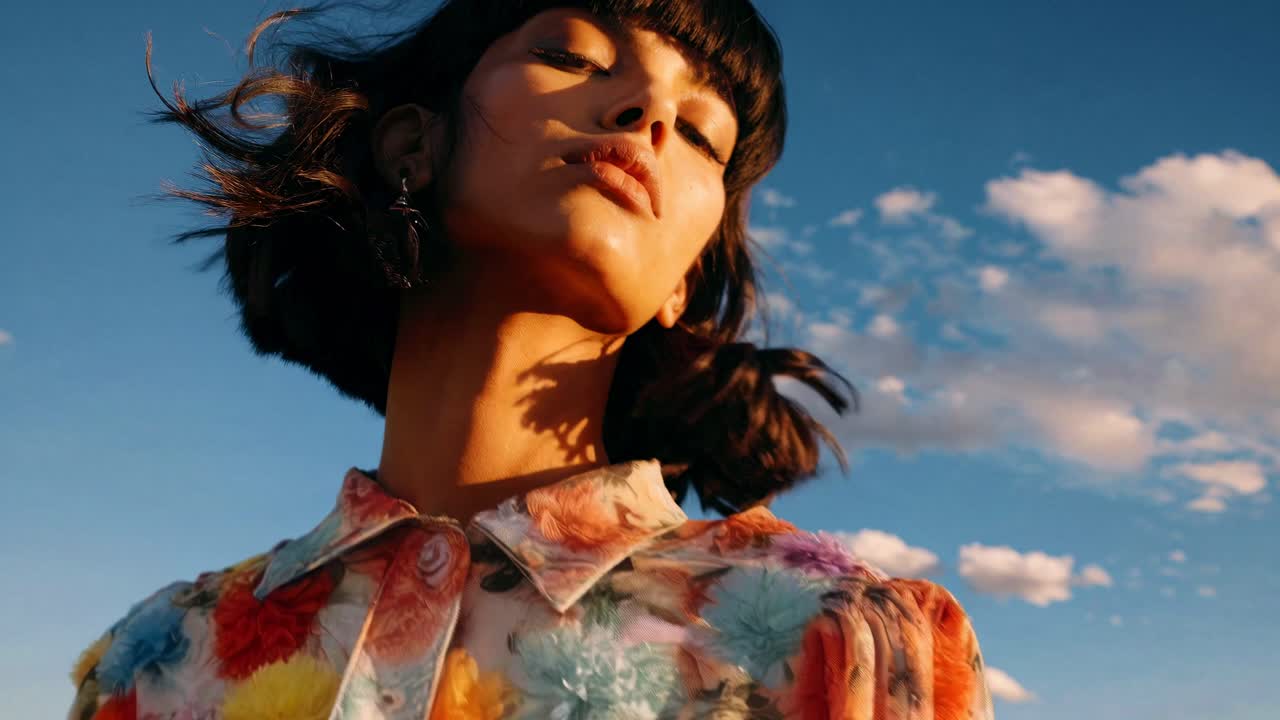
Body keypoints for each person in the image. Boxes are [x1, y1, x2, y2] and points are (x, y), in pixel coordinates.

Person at [68, 1, 995, 718]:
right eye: (572, 56)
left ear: (684, 279)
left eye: (704, 131)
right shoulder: (158, 659)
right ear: (411, 146)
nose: (649, 115)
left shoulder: (840, 639)